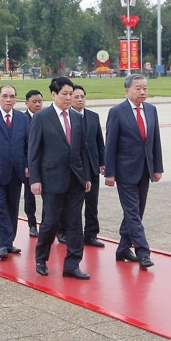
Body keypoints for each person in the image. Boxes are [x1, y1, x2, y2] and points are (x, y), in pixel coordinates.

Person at [28, 77, 92, 279]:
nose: (68, 97)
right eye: (64, 94)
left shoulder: (76, 118)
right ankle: (41, 258)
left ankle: (72, 264)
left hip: (76, 180)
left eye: (71, 94)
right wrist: (35, 179)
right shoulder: (42, 118)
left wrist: (86, 177)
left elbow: (82, 150)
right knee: (51, 221)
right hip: (51, 179)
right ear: (54, 95)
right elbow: (34, 151)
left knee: (75, 223)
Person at [104, 74, 163, 268]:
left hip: (145, 169)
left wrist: (157, 168)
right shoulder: (117, 112)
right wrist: (110, 173)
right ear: (127, 91)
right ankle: (143, 251)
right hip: (125, 171)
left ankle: (122, 248)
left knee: (136, 212)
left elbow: (155, 141)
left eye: (145, 88)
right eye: (138, 88)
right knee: (132, 212)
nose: (142, 92)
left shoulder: (151, 110)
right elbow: (110, 144)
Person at [0, 84, 30, 259]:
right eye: (5, 96)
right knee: (0, 207)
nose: (8, 100)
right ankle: (3, 243)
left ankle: (10, 241)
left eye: (12, 96)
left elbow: (28, 144)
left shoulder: (22, 118)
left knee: (13, 207)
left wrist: (28, 165)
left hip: (17, 171)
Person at [72, 85, 106, 248]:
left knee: (92, 203)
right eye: (76, 97)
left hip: (92, 167)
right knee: (74, 204)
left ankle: (91, 234)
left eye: (82, 97)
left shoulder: (93, 116)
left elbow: (99, 142)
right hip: (75, 169)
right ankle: (70, 233)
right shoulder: (67, 117)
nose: (80, 100)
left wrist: (102, 162)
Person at [22, 89, 44, 237]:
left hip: (46, 164)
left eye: (39, 102)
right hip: (29, 165)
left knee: (49, 196)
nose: (37, 104)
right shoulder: (22, 119)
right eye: (34, 102)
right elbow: (22, 145)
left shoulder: (46, 117)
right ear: (27, 103)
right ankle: (32, 224)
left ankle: (48, 224)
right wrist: (26, 165)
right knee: (30, 196)